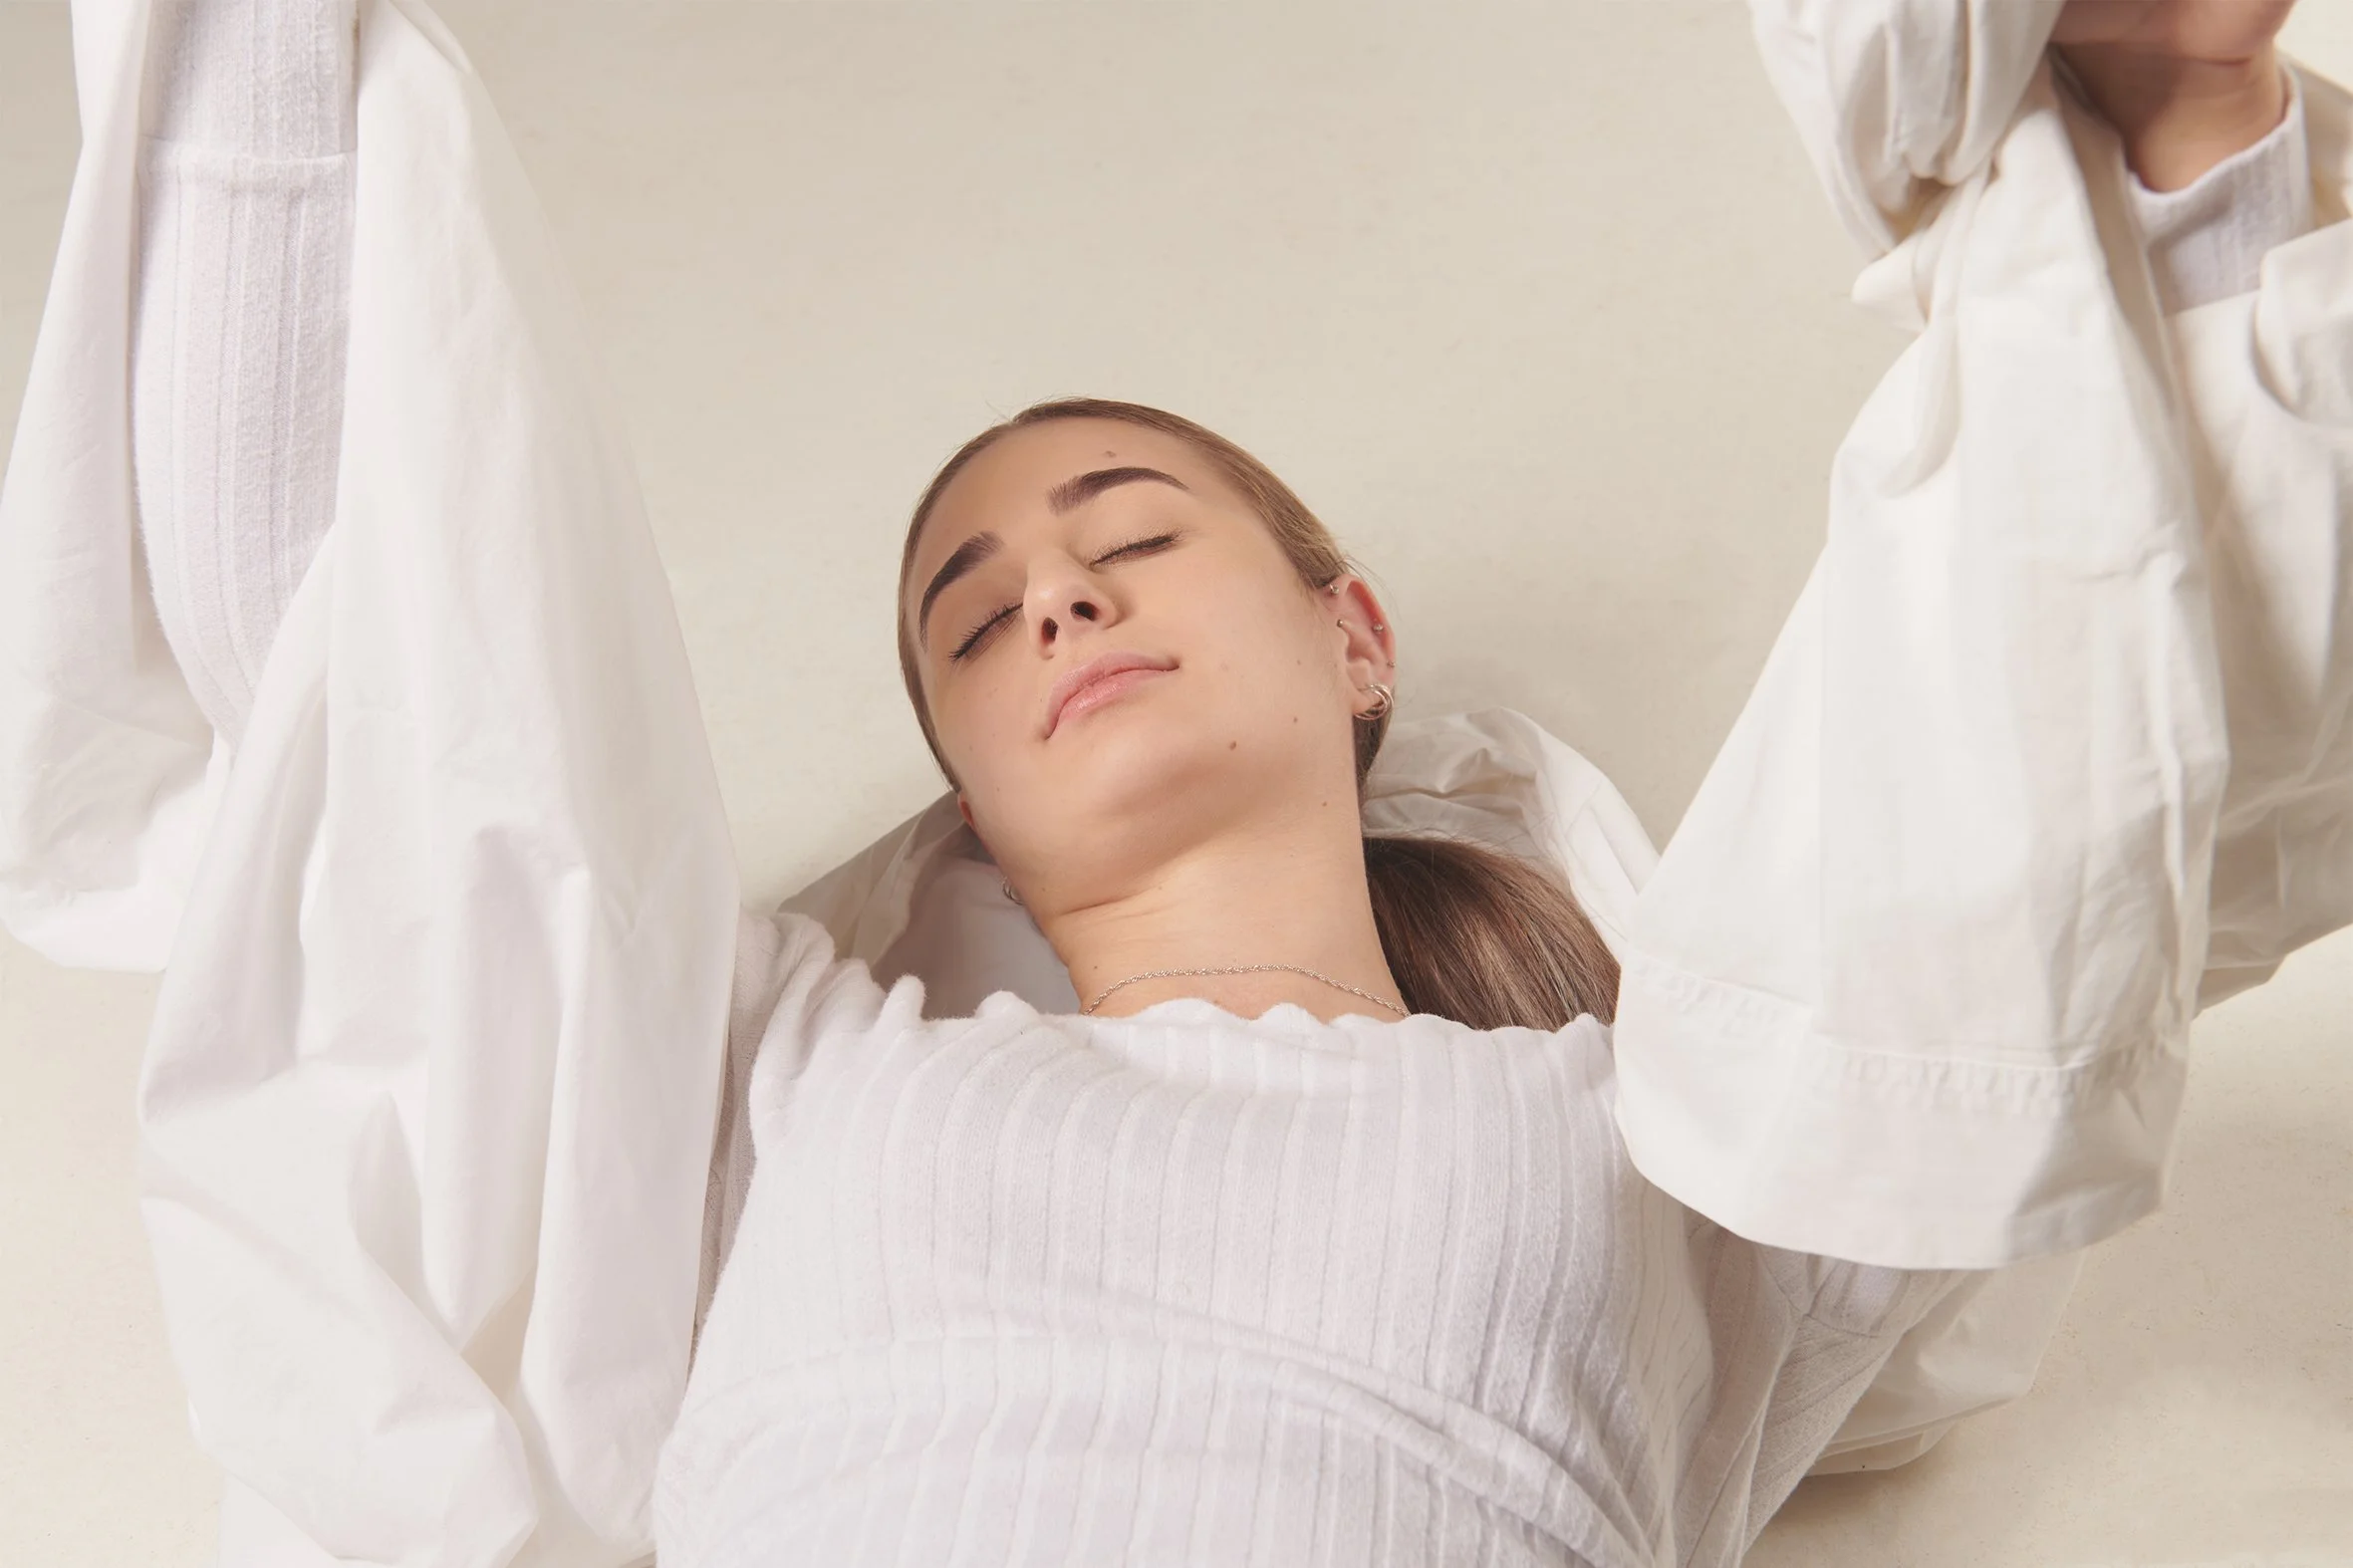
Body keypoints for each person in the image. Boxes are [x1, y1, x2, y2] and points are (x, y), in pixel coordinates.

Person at [2, 0, 2346, 1564]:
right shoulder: (786, 1072)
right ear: (967, 811)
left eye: (1125, 538)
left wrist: (2176, 144)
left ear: (1351, 639)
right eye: (971, 616)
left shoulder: (1669, 1116)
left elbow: (2068, 753)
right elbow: (368, 681)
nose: (1051, 600)